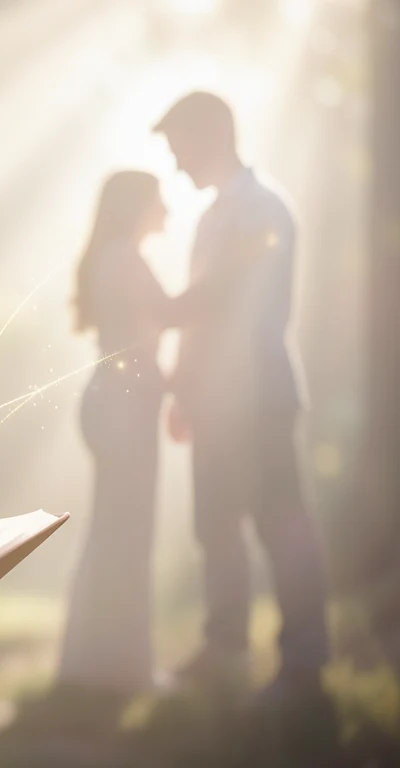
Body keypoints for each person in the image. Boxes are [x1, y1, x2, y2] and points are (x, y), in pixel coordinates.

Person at [154, 91, 330, 700]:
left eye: (180, 148)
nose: (177, 163)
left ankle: (304, 664)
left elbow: (220, 294)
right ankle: (225, 648)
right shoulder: (212, 216)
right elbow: (204, 308)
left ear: (211, 137)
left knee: (282, 527)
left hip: (259, 398)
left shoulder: (262, 209)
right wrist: (182, 387)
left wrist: (152, 310)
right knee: (215, 528)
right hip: (213, 403)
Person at [59, 170, 171, 694]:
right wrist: (232, 275)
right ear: (137, 206)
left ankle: (96, 664)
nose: (167, 209)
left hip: (113, 401)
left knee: (114, 530)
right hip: (126, 407)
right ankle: (120, 670)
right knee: (126, 532)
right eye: (158, 199)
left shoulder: (111, 257)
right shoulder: (125, 258)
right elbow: (170, 313)